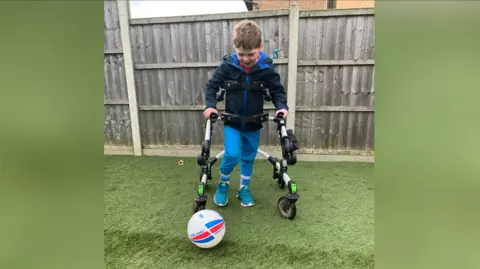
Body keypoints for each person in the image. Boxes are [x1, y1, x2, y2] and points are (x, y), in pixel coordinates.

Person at [203, 19, 289, 207]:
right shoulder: (228, 65)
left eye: (250, 54)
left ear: (260, 47)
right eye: (241, 54)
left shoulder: (266, 67)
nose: (246, 59)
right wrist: (210, 106)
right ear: (235, 48)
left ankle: (244, 188)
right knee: (232, 154)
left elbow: (277, 91)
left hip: (253, 123)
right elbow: (211, 87)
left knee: (249, 156)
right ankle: (223, 184)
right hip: (232, 122)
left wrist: (281, 106)